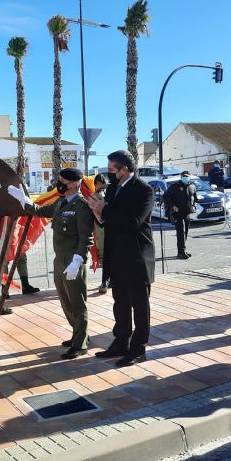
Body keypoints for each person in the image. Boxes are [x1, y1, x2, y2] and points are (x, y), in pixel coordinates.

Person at [9, 168, 94, 359]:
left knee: (78, 303)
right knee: (65, 301)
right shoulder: (61, 202)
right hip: (60, 260)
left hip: (74, 261)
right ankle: (78, 335)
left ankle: (80, 344)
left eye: (63, 180)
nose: (60, 183)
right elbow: (40, 212)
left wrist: (77, 260)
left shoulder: (81, 206)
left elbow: (86, 238)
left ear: (73, 184)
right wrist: (24, 200)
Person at [87, 150, 155, 367]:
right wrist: (98, 214)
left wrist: (104, 211)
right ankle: (120, 342)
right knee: (121, 304)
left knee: (139, 306)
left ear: (125, 169)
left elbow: (133, 221)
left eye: (112, 170)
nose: (109, 175)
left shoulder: (143, 190)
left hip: (136, 257)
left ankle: (138, 349)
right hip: (116, 256)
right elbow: (108, 221)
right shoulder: (114, 188)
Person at [163, 170, 197, 260]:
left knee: (185, 232)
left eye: (187, 176)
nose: (185, 178)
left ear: (190, 177)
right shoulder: (175, 186)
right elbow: (165, 196)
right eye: (183, 176)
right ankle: (181, 252)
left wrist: (193, 206)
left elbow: (195, 198)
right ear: (181, 177)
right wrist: (173, 206)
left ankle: (183, 250)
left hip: (187, 213)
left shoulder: (192, 186)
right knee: (180, 232)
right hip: (178, 213)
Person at [93, 174, 110, 294]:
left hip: (104, 227)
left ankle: (106, 281)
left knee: (106, 256)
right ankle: (107, 280)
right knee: (104, 256)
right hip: (98, 227)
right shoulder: (94, 195)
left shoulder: (104, 193)